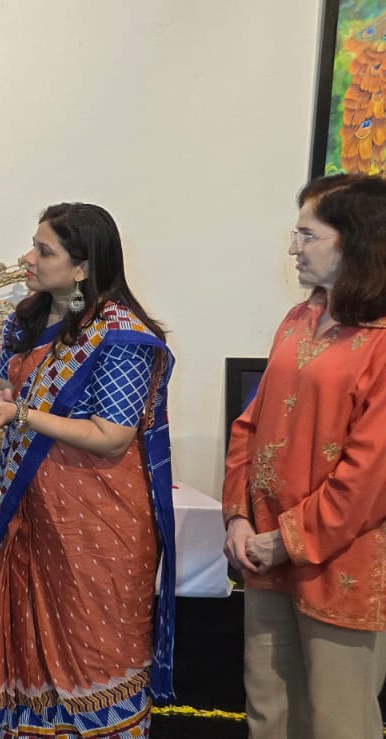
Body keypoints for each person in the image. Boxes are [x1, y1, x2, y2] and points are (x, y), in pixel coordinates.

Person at [0, 203, 175, 738]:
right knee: (29, 634)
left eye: (44, 251)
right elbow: (3, 385)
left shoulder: (121, 336)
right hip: (34, 513)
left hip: (97, 521)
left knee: (94, 644)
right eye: (33, 245)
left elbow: (113, 436)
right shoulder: (26, 318)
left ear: (82, 267)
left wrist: (22, 415)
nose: (28, 258)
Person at [223, 174, 386, 739]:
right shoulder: (298, 319)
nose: (293, 248)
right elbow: (250, 425)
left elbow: (369, 475)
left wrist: (287, 539)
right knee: (269, 710)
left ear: (357, 240)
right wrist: (239, 518)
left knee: (338, 720)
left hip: (343, 560)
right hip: (266, 553)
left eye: (308, 235)